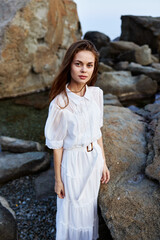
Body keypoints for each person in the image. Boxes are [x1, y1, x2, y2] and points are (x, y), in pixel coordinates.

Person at [44, 39, 110, 240]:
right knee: (72, 213)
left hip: (93, 161)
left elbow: (97, 131)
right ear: (69, 65)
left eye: (89, 65)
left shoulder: (96, 94)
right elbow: (57, 145)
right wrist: (58, 180)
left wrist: (104, 163)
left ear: (94, 68)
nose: (84, 70)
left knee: (88, 210)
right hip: (73, 164)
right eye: (78, 63)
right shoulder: (60, 103)